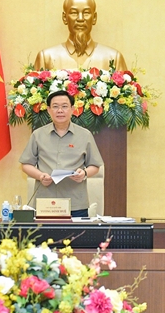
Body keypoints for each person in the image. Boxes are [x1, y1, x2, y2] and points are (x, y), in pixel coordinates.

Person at [20, 90, 103, 218]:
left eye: (64, 106)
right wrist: (40, 176)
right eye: (55, 107)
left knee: (77, 238)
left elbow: (95, 166)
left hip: (76, 203)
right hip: (45, 203)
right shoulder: (38, 135)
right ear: (48, 110)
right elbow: (26, 164)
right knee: (44, 238)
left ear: (72, 109)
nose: (60, 110)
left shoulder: (85, 135)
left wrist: (84, 174)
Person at [34, 0, 128, 71]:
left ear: (94, 18)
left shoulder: (113, 58)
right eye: (74, 13)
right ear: (64, 18)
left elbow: (127, 92)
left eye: (86, 13)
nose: (80, 19)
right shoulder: (46, 57)